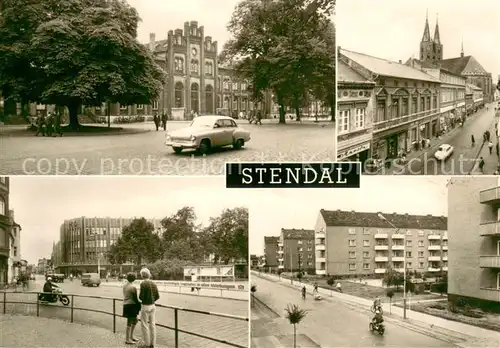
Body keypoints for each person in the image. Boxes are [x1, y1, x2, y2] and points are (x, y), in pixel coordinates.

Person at [139, 268, 159, 348]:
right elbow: (157, 296)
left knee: (144, 325)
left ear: (142, 275)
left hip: (145, 306)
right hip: (153, 306)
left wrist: (143, 299)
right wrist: (152, 300)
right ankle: (153, 344)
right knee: (152, 325)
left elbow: (141, 296)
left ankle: (146, 344)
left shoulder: (143, 284)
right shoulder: (153, 283)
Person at [123, 273, 140, 345]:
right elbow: (135, 298)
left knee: (135, 320)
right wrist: (139, 305)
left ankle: (131, 336)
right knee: (130, 322)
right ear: (134, 279)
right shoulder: (133, 287)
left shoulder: (125, 285)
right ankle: (127, 339)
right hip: (131, 305)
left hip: (126, 304)